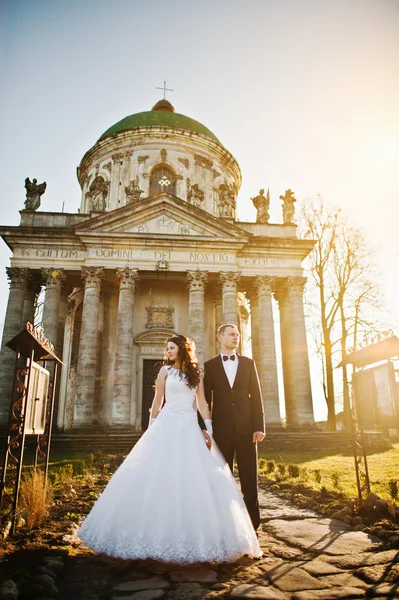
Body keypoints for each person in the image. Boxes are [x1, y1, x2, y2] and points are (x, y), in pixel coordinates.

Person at [78, 334, 261, 563]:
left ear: (183, 349)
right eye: (167, 348)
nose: (168, 351)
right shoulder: (164, 371)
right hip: (166, 424)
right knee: (158, 473)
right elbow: (157, 401)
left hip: (188, 424)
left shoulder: (198, 374)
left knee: (193, 476)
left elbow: (202, 403)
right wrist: (151, 427)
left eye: (172, 348)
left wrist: (210, 429)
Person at [199, 324, 265, 530]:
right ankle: (225, 524)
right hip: (221, 430)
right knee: (222, 479)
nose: (236, 338)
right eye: (231, 334)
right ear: (220, 338)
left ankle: (253, 526)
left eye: (237, 335)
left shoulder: (248, 363)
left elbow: (257, 396)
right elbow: (204, 400)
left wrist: (259, 426)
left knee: (249, 480)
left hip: (247, 430)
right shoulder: (210, 366)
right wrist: (203, 428)